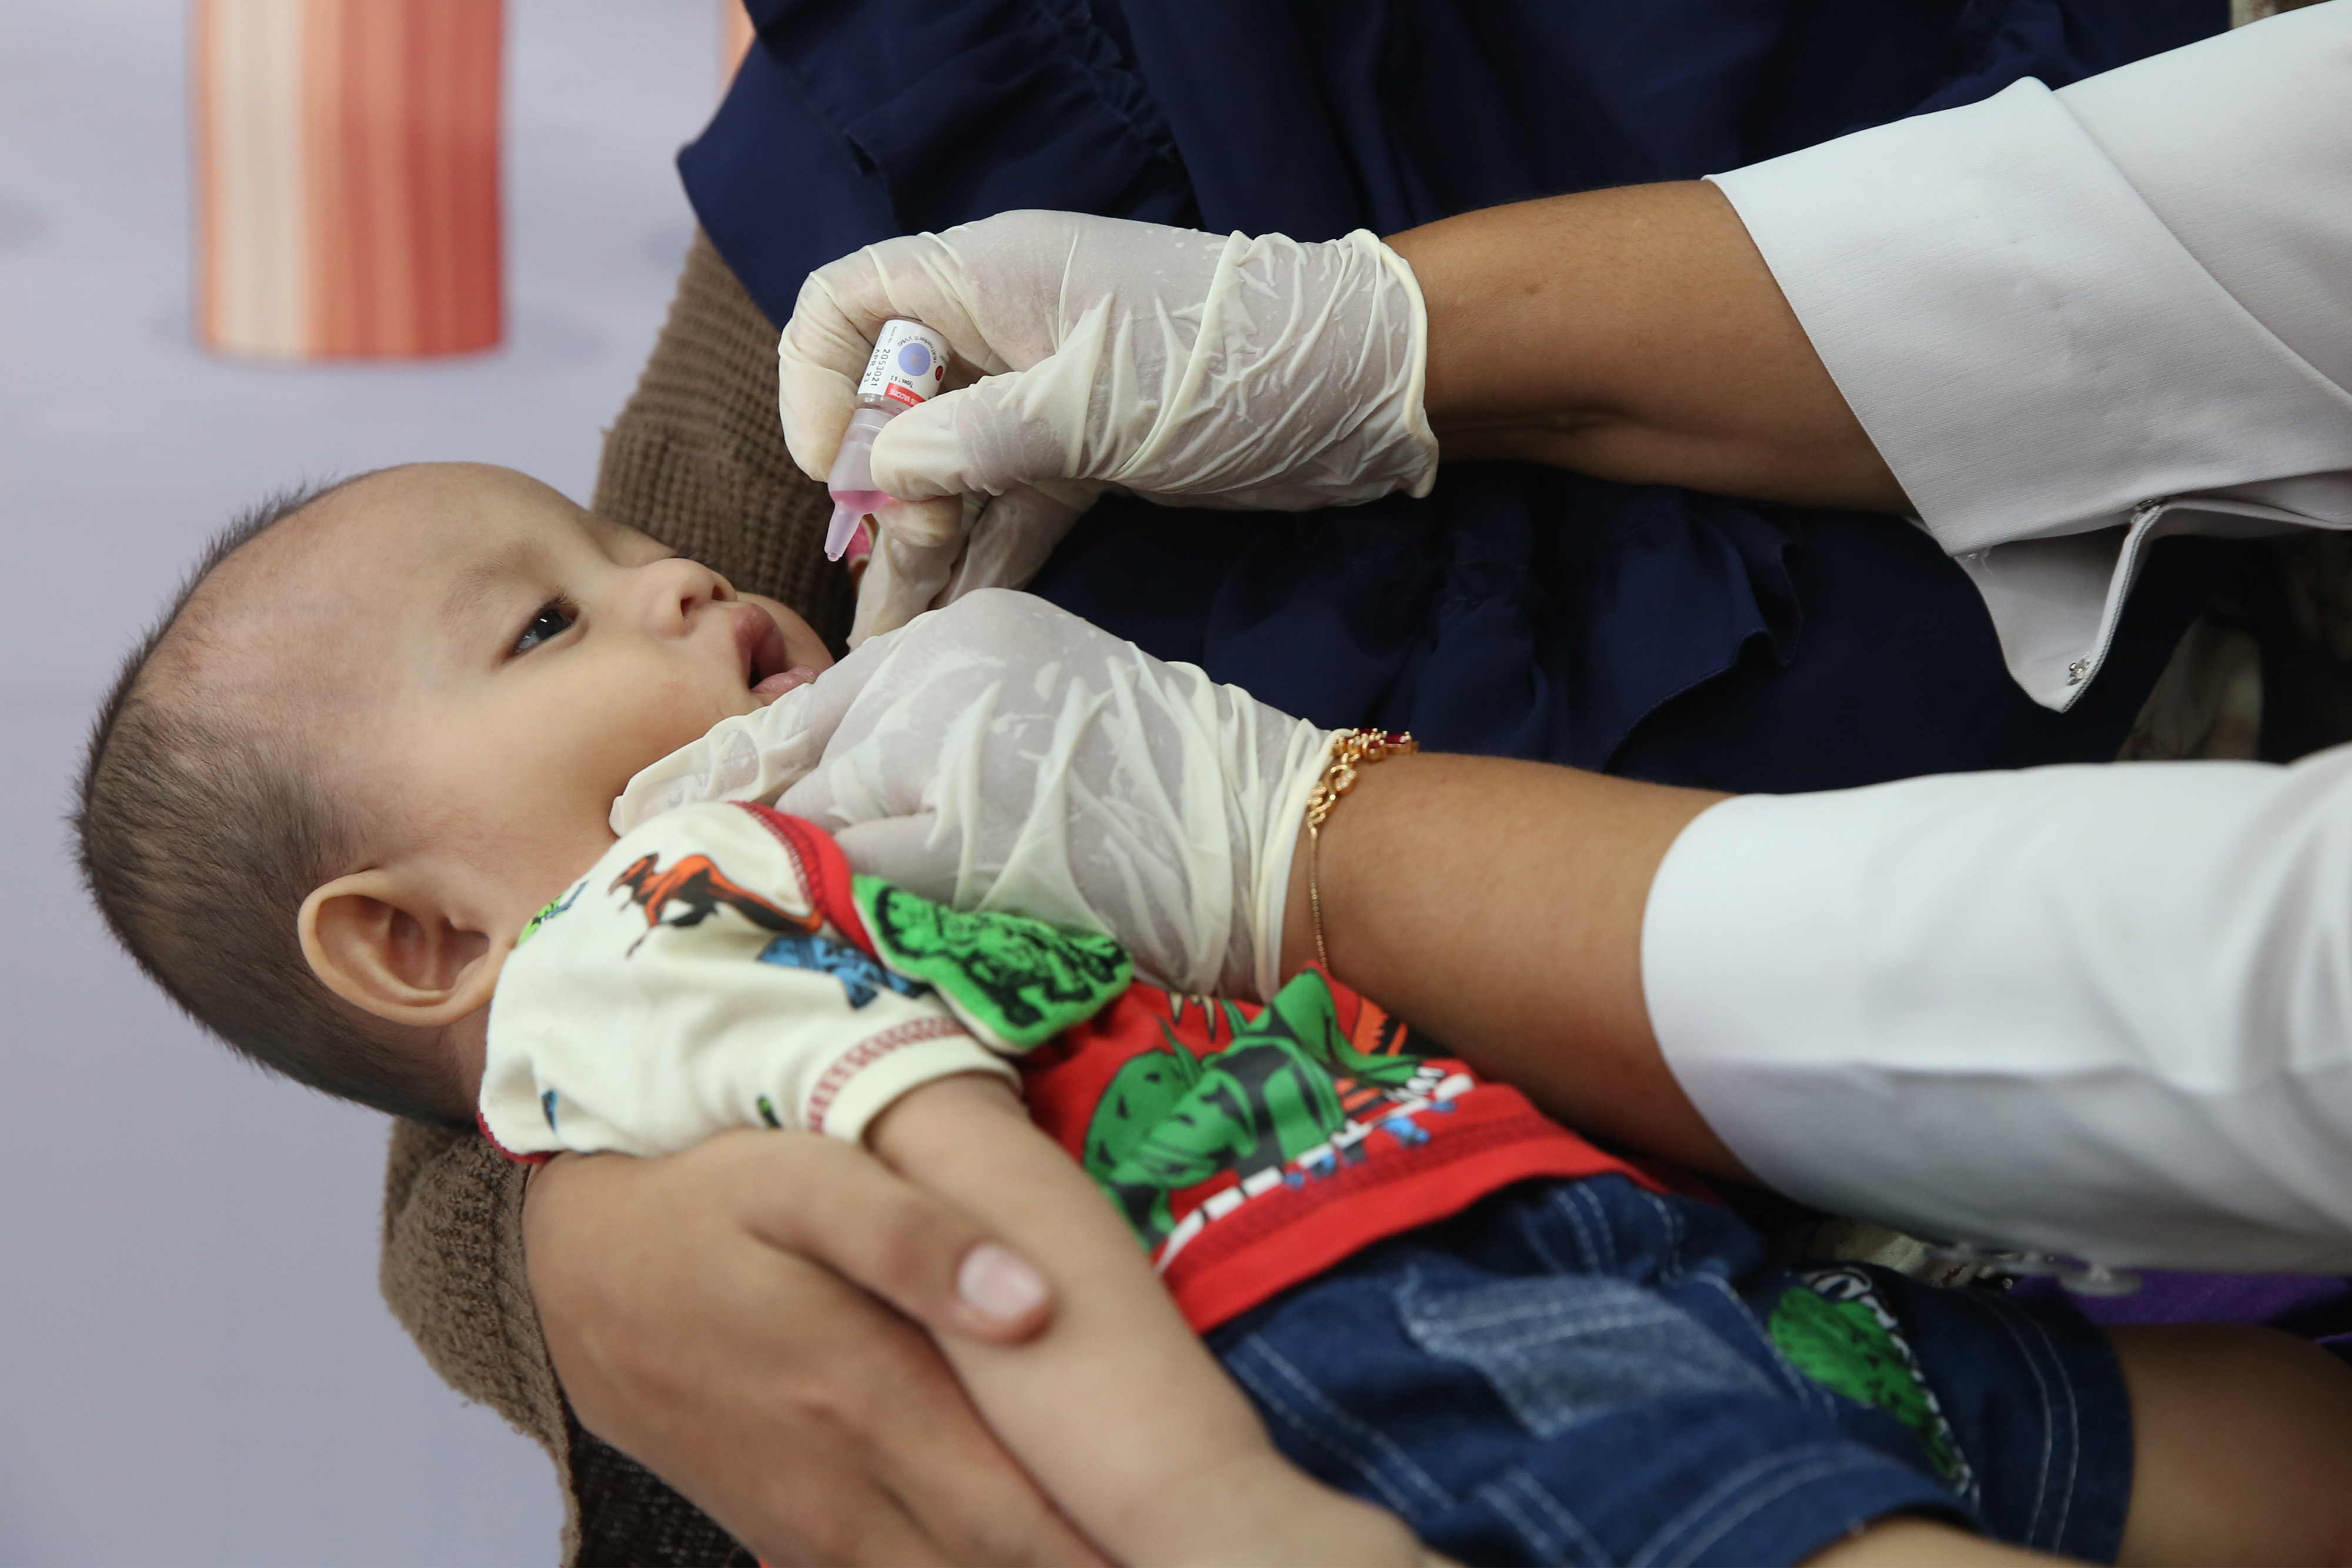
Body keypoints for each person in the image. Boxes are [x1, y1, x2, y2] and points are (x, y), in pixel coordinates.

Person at [69, 462, 2352, 1567]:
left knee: (2236, 1434)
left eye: (608, 550)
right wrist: (1200, 1510)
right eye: (548, 630)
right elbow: (961, 1182)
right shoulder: (654, 929)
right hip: (1368, 1372)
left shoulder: (836, 848)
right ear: (411, 946)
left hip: (1622, 1267)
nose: (673, 569)